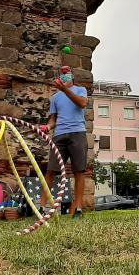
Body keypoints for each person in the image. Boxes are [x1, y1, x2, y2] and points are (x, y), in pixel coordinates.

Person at [40, 65, 89, 219]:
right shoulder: (55, 98)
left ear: (72, 76)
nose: (64, 75)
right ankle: (41, 207)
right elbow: (53, 119)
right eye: (62, 73)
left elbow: (82, 104)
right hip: (59, 135)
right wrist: (48, 126)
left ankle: (77, 209)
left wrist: (65, 90)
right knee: (50, 171)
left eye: (67, 73)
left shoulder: (81, 90)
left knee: (79, 171)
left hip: (78, 133)